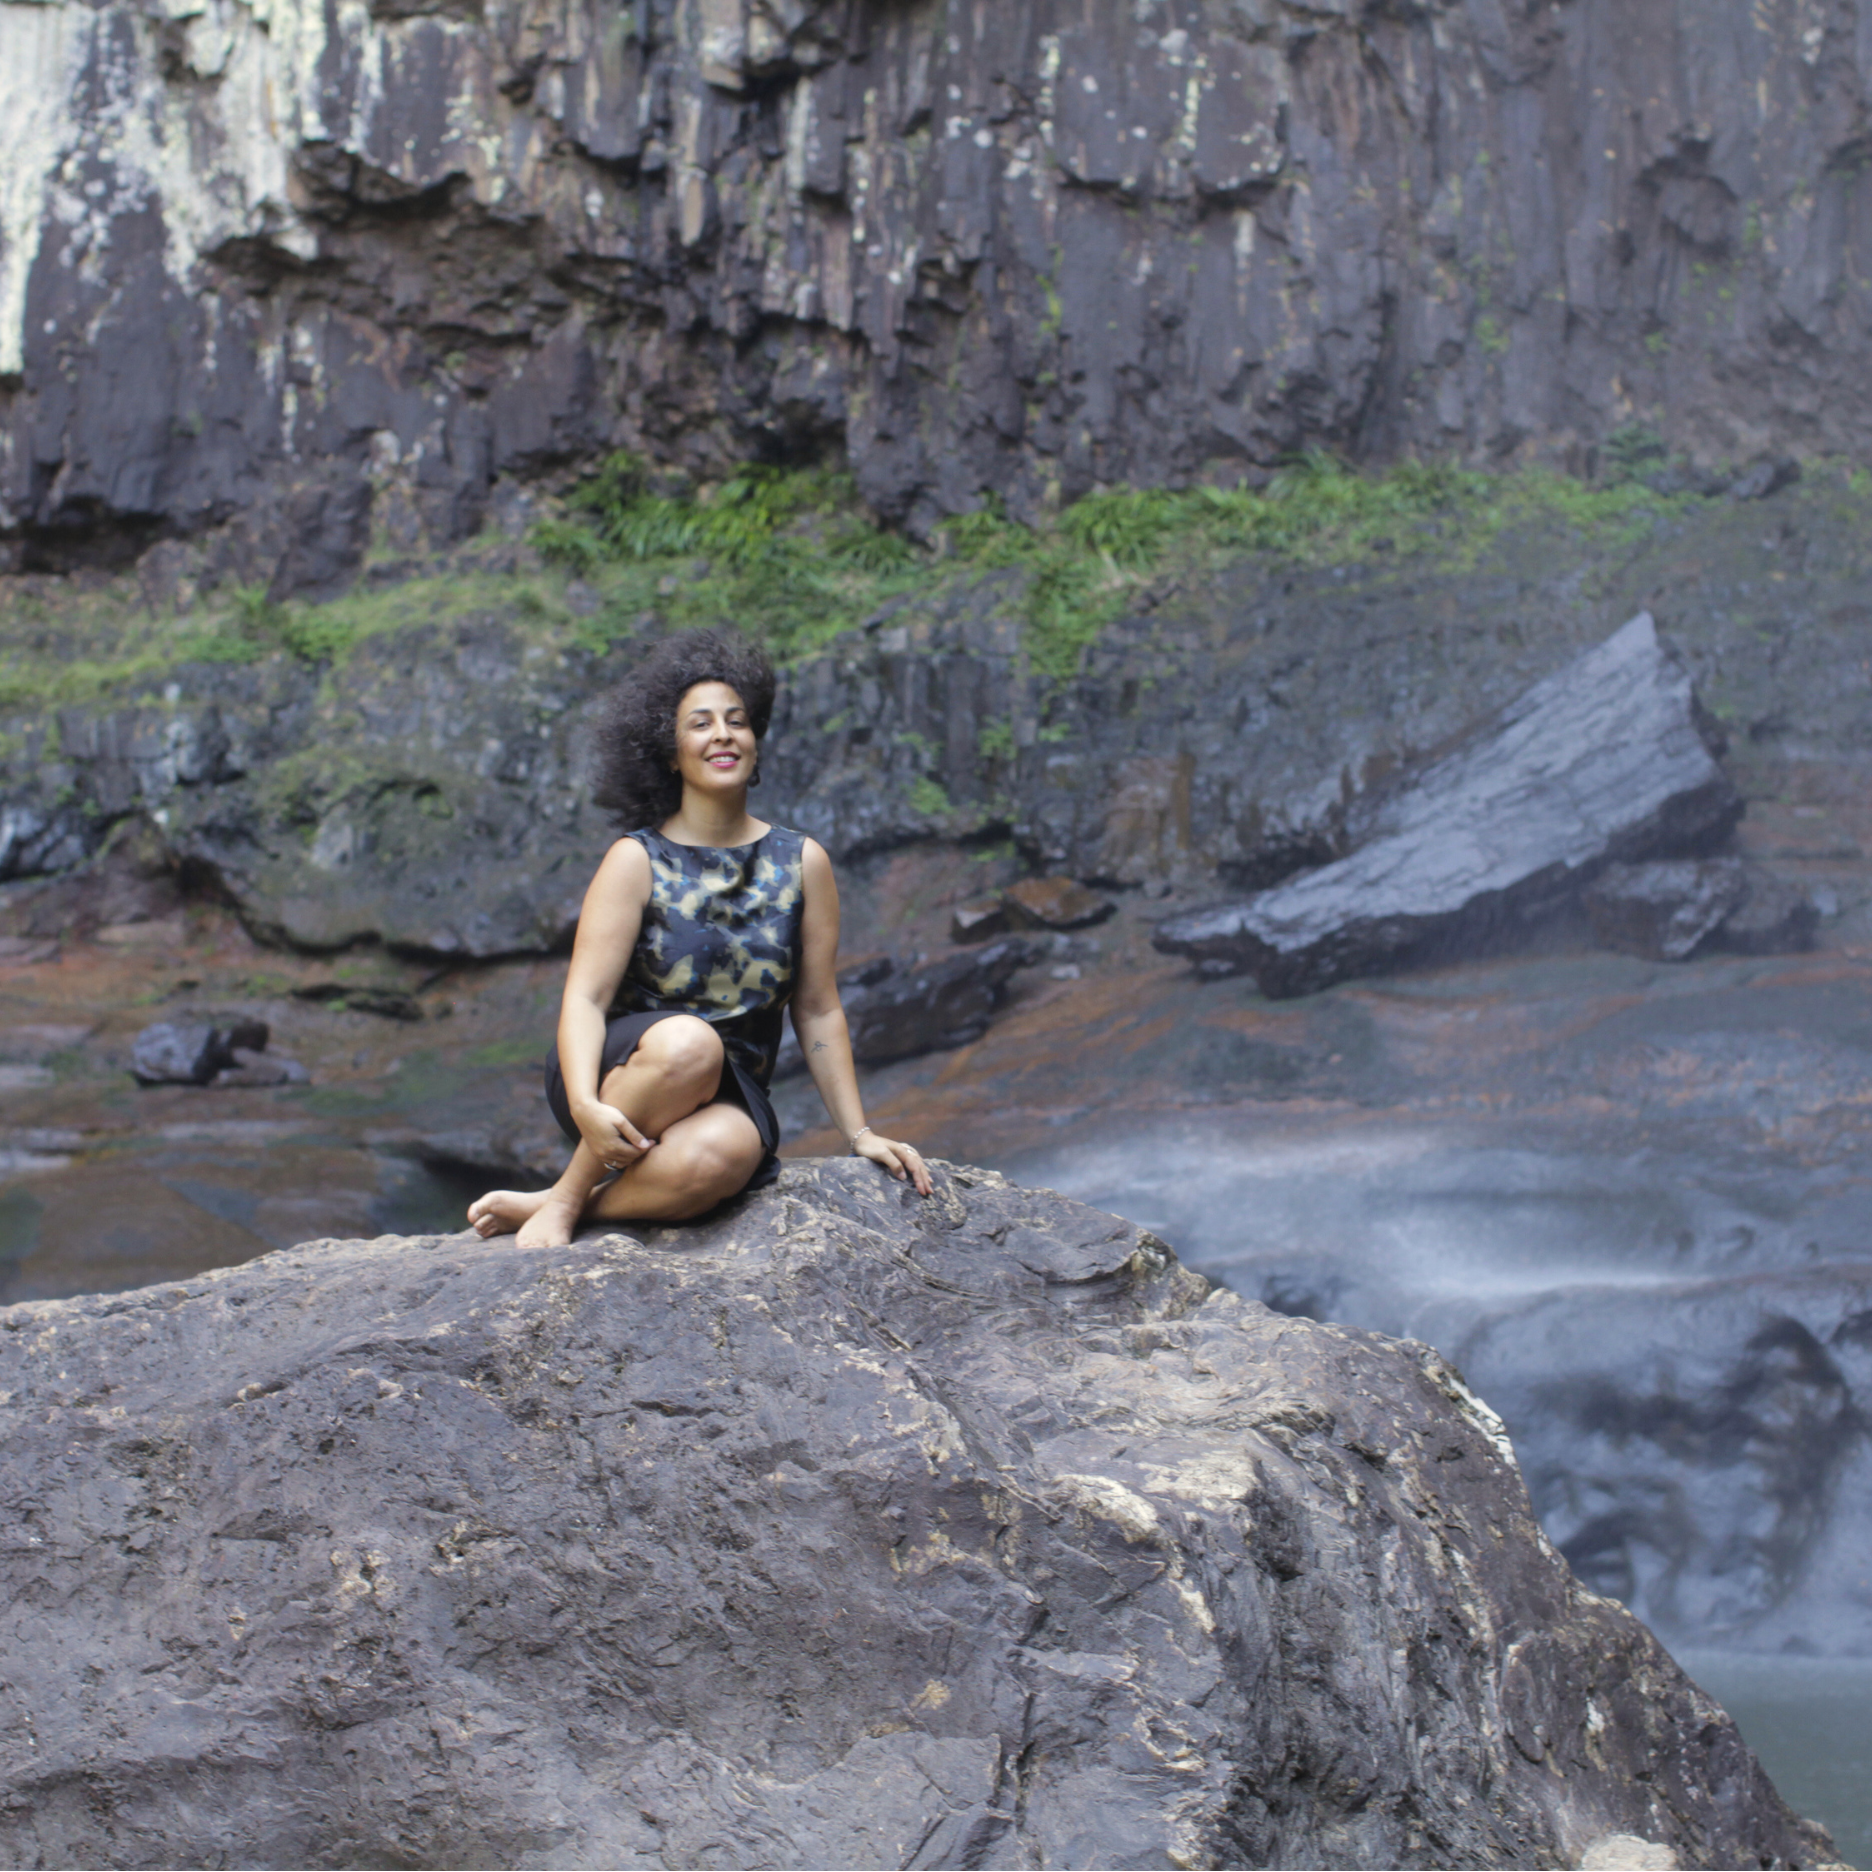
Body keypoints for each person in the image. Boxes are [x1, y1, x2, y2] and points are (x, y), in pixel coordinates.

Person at [467, 627, 932, 1249]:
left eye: (737, 722)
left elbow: (818, 1008)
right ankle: (570, 1194)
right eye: (701, 723)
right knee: (691, 1044)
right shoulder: (636, 858)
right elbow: (584, 1000)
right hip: (623, 1071)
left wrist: (860, 1135)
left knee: (726, 1154)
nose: (723, 735)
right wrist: (583, 1103)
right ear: (670, 752)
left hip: (731, 1087)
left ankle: (563, 1204)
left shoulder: (802, 862)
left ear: (756, 744)